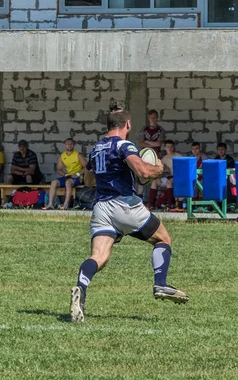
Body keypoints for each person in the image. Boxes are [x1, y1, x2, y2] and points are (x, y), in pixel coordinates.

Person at [69, 107, 189, 324]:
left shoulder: (97, 148)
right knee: (163, 239)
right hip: (124, 205)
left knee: (99, 257)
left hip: (101, 208)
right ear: (127, 125)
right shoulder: (124, 145)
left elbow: (88, 180)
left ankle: (80, 288)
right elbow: (143, 172)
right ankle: (160, 283)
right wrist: (158, 170)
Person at [43, 138, 87, 210]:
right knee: (54, 182)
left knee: (68, 182)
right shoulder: (62, 156)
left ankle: (65, 204)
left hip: (78, 178)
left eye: (71, 144)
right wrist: (65, 175)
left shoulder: (78, 155)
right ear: (65, 145)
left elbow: (87, 167)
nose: (69, 145)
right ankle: (50, 204)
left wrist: (78, 174)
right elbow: (59, 169)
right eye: (67, 144)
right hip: (68, 176)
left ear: (73, 145)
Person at [147, 140, 182, 210]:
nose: (170, 148)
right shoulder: (164, 159)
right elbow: (160, 170)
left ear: (173, 147)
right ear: (165, 148)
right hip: (171, 176)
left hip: (179, 176)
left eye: (171, 147)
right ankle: (150, 204)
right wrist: (158, 178)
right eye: (168, 147)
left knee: (168, 182)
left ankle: (170, 204)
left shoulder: (178, 156)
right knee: (154, 182)